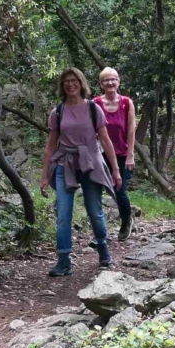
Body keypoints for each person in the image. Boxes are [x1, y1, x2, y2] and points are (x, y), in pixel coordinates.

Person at [40, 68, 123, 277]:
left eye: (74, 80)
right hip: (64, 162)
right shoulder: (57, 112)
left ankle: (103, 250)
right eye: (66, 81)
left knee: (94, 210)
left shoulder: (94, 109)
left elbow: (105, 140)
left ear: (81, 83)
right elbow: (50, 146)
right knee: (63, 214)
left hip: (91, 161)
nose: (70, 84)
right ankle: (63, 260)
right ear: (62, 85)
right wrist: (43, 176)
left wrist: (115, 170)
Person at [94, 67, 138, 241]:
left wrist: (130, 154)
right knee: (99, 190)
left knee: (119, 191)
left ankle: (126, 220)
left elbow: (131, 129)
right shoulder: (95, 103)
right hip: (100, 153)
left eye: (113, 79)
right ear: (101, 84)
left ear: (119, 82)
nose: (110, 82)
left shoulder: (126, 103)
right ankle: (99, 232)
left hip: (121, 152)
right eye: (106, 80)